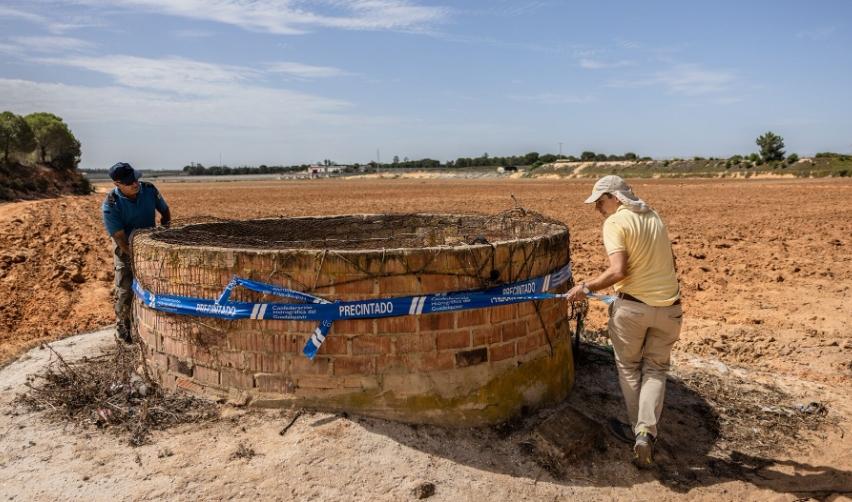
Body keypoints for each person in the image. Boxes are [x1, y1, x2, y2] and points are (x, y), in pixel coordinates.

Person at [565, 175, 681, 468]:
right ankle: (647, 431)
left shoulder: (616, 223)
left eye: (600, 202)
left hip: (633, 309)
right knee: (656, 369)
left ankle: (638, 432)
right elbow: (671, 261)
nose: (598, 209)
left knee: (629, 368)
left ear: (615, 197)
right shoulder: (653, 216)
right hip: (670, 309)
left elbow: (618, 271)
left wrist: (586, 288)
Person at [101, 162, 170, 343]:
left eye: (136, 179)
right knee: (125, 290)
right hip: (126, 249)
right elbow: (120, 239)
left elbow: (165, 211)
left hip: (152, 244)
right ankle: (124, 329)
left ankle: (155, 325)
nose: (135, 184)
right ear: (117, 184)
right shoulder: (111, 205)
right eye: (129, 182)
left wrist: (166, 233)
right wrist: (137, 259)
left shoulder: (148, 189)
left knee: (157, 286)